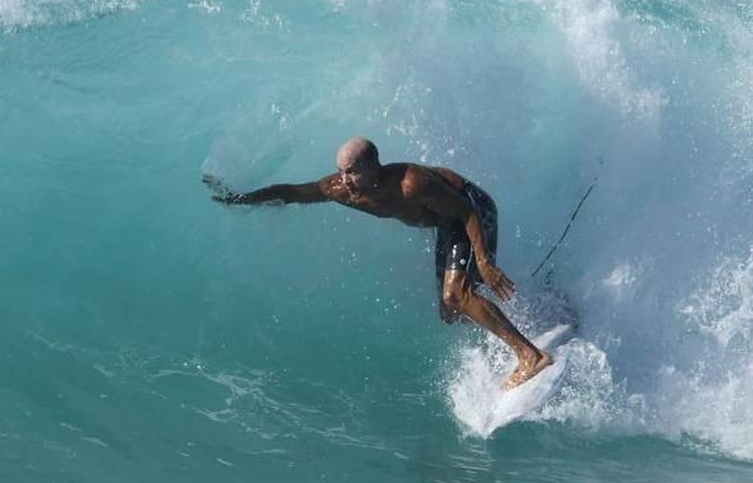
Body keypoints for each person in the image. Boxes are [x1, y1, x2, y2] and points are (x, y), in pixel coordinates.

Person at [204, 137, 552, 389]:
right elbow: (293, 192)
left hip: (471, 211)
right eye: (341, 172)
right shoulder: (340, 189)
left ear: (373, 167)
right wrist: (243, 198)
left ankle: (529, 355)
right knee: (451, 311)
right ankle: (531, 314)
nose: (344, 179)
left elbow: (466, 211)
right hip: (446, 223)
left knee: (457, 295)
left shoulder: (411, 184)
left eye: (352, 172)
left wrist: (485, 261)